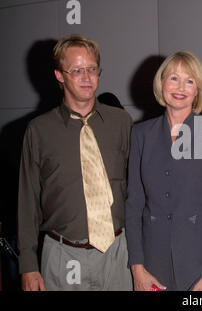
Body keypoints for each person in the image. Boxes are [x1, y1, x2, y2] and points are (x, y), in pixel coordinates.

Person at [17, 34, 133, 291]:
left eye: (92, 69)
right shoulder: (39, 130)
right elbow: (27, 202)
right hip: (61, 256)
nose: (87, 77)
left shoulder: (121, 122)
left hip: (117, 254)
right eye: (77, 70)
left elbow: (138, 189)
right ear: (60, 75)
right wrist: (27, 264)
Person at [125, 51, 202, 291]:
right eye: (173, 78)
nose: (180, 87)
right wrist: (137, 268)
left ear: (197, 89)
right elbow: (134, 206)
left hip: (199, 265)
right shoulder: (141, 135)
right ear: (161, 84)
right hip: (152, 265)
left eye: (189, 81)